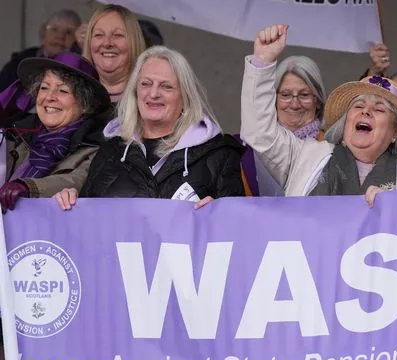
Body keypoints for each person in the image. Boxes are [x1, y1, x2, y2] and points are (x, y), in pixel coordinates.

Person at [241, 24, 397, 205]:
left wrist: (395, 209)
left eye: (379, 109)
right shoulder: (304, 156)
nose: (366, 111)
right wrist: (262, 63)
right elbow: (259, 131)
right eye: (358, 106)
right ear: (346, 121)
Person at [54, 46, 244, 209]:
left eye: (166, 87)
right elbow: (88, 228)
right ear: (135, 93)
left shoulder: (220, 154)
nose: (153, 94)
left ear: (185, 98)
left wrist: (219, 216)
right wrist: (72, 202)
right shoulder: (110, 151)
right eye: (145, 84)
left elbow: (239, 231)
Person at [0, 52, 110, 212]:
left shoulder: (97, 148)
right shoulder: (14, 138)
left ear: (85, 103)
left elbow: (76, 180)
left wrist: (28, 187)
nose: (49, 97)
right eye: (44, 88)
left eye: (63, 91)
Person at [240, 54, 327, 196]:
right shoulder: (245, 149)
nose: (294, 104)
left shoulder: (332, 146)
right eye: (285, 95)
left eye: (304, 95)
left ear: (317, 101)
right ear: (273, 100)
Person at [0, 9, 81, 91]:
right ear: (43, 33)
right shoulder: (20, 63)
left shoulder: (80, 69)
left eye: (69, 32)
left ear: (77, 40)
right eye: (54, 29)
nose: (60, 36)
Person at [82, 4, 146, 103]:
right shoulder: (75, 94)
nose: (107, 43)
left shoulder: (147, 97)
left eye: (117, 35)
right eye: (99, 35)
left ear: (134, 42)